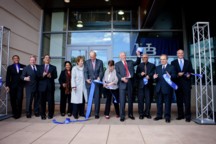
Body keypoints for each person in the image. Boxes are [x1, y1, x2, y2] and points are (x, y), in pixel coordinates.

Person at [115, 51, 141, 122]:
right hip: (122, 83)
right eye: (122, 55)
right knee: (122, 100)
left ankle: (130, 114)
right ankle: (122, 116)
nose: (124, 56)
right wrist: (122, 78)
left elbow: (137, 62)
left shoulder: (130, 62)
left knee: (130, 100)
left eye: (125, 55)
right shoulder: (117, 64)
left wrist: (138, 55)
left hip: (130, 82)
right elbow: (117, 73)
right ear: (120, 57)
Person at [171, 49, 193, 122]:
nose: (180, 54)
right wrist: (177, 74)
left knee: (187, 101)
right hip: (177, 84)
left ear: (183, 54)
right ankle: (180, 115)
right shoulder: (173, 62)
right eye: (179, 53)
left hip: (186, 84)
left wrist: (189, 75)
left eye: (181, 53)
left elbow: (191, 72)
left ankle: (188, 116)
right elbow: (173, 73)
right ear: (177, 54)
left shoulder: (188, 62)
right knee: (179, 101)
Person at [153, 54, 176, 123]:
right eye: (161, 59)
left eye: (164, 59)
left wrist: (170, 76)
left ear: (167, 60)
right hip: (159, 88)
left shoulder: (171, 67)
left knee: (167, 103)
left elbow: (175, 76)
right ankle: (159, 115)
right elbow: (155, 79)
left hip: (167, 88)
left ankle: (167, 116)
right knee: (159, 103)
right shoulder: (157, 67)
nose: (162, 60)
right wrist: (154, 77)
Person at [84, 51, 104, 119]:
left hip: (97, 84)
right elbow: (85, 72)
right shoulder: (86, 62)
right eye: (90, 57)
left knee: (97, 99)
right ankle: (88, 113)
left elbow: (101, 71)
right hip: (89, 83)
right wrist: (86, 79)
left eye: (93, 57)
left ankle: (96, 113)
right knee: (89, 99)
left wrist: (99, 77)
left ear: (95, 56)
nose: (91, 58)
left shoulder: (100, 62)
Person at [38, 54, 57, 120]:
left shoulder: (53, 67)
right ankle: (43, 115)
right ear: (43, 59)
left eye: (48, 58)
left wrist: (50, 76)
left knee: (51, 101)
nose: (47, 59)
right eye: (46, 58)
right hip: (42, 87)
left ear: (50, 60)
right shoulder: (39, 67)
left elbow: (55, 76)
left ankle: (50, 114)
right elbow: (37, 76)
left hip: (50, 87)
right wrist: (42, 75)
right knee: (42, 102)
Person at [136, 54, 155, 119]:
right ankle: (141, 113)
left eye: (146, 57)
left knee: (148, 101)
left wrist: (149, 76)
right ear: (142, 58)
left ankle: (147, 113)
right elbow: (137, 75)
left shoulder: (152, 65)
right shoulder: (139, 65)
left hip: (148, 86)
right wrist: (140, 74)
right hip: (141, 86)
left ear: (148, 57)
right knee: (140, 101)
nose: (144, 58)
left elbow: (153, 73)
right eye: (143, 57)